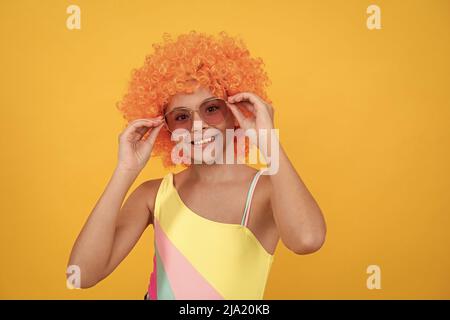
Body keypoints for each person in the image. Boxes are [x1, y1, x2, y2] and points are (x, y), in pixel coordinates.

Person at [67, 31, 326, 300]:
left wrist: (268, 142)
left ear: (238, 112)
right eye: (181, 116)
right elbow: (81, 275)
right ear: (166, 127)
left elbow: (307, 240)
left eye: (211, 108)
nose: (198, 125)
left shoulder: (267, 190)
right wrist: (125, 171)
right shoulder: (153, 195)